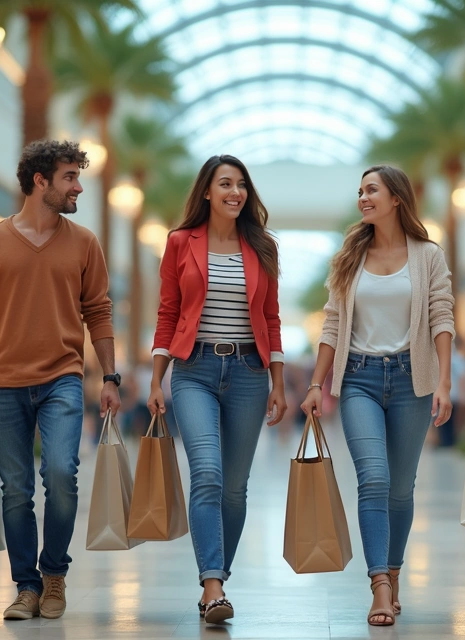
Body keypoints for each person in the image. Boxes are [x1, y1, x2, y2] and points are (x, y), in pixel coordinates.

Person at [0, 139, 120, 621]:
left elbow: (98, 311)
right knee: (16, 489)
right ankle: (26, 586)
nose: (77, 187)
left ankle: (54, 574)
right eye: (70, 177)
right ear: (40, 181)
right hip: (5, 381)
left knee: (60, 475)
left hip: (63, 378)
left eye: (78, 177)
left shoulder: (84, 242)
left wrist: (110, 376)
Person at [301, 165, 454, 627]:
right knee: (374, 479)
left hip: (412, 379)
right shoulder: (350, 257)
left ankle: (394, 569)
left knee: (401, 488)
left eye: (372, 190)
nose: (363, 198)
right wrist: (316, 383)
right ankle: (379, 586)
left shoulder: (428, 256)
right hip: (359, 380)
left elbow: (442, 316)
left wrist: (444, 381)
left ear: (396, 199)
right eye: (360, 191)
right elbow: (332, 323)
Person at [147, 155, 288, 625]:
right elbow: (168, 313)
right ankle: (212, 587)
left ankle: (219, 575)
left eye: (242, 184)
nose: (235, 192)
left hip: (249, 371)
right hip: (194, 371)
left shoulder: (262, 245)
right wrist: (155, 377)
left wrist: (278, 382)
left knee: (234, 487)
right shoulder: (180, 242)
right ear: (206, 192)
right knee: (206, 471)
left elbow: (270, 317)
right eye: (225, 183)